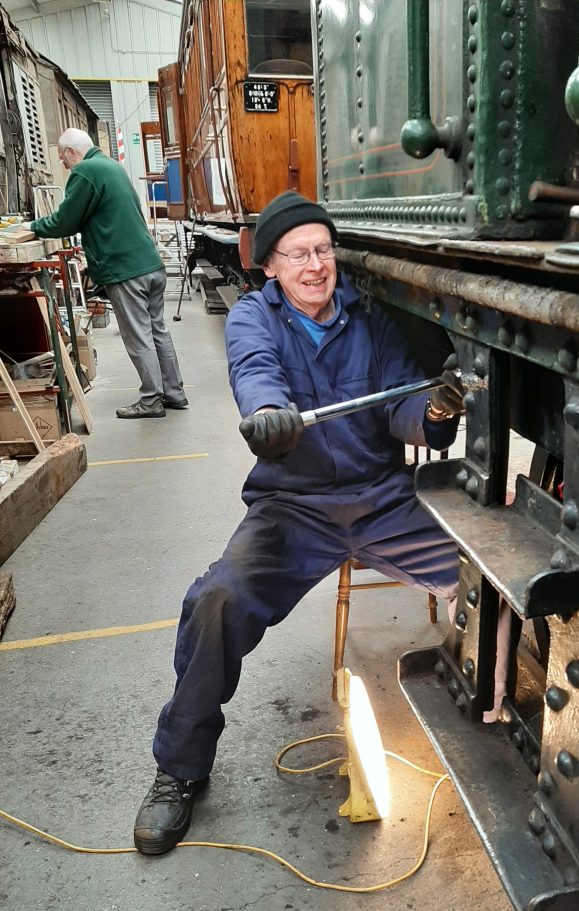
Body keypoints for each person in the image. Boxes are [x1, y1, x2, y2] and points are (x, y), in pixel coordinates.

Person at [132, 190, 465, 855]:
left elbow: (403, 403)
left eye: (323, 250)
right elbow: (256, 374)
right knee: (216, 601)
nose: (316, 266)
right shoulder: (255, 318)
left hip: (382, 501)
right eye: (299, 254)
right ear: (271, 266)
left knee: (489, 576)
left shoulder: (371, 321)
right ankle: (179, 770)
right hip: (295, 507)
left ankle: (491, 713)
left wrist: (434, 410)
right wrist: (269, 419)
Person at [25, 127, 188, 419]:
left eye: (63, 159)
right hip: (150, 264)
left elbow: (65, 222)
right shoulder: (113, 166)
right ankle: (174, 392)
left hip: (126, 270)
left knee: (139, 335)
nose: (64, 165)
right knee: (157, 330)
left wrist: (32, 227)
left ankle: (151, 399)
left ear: (72, 152)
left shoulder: (85, 171)